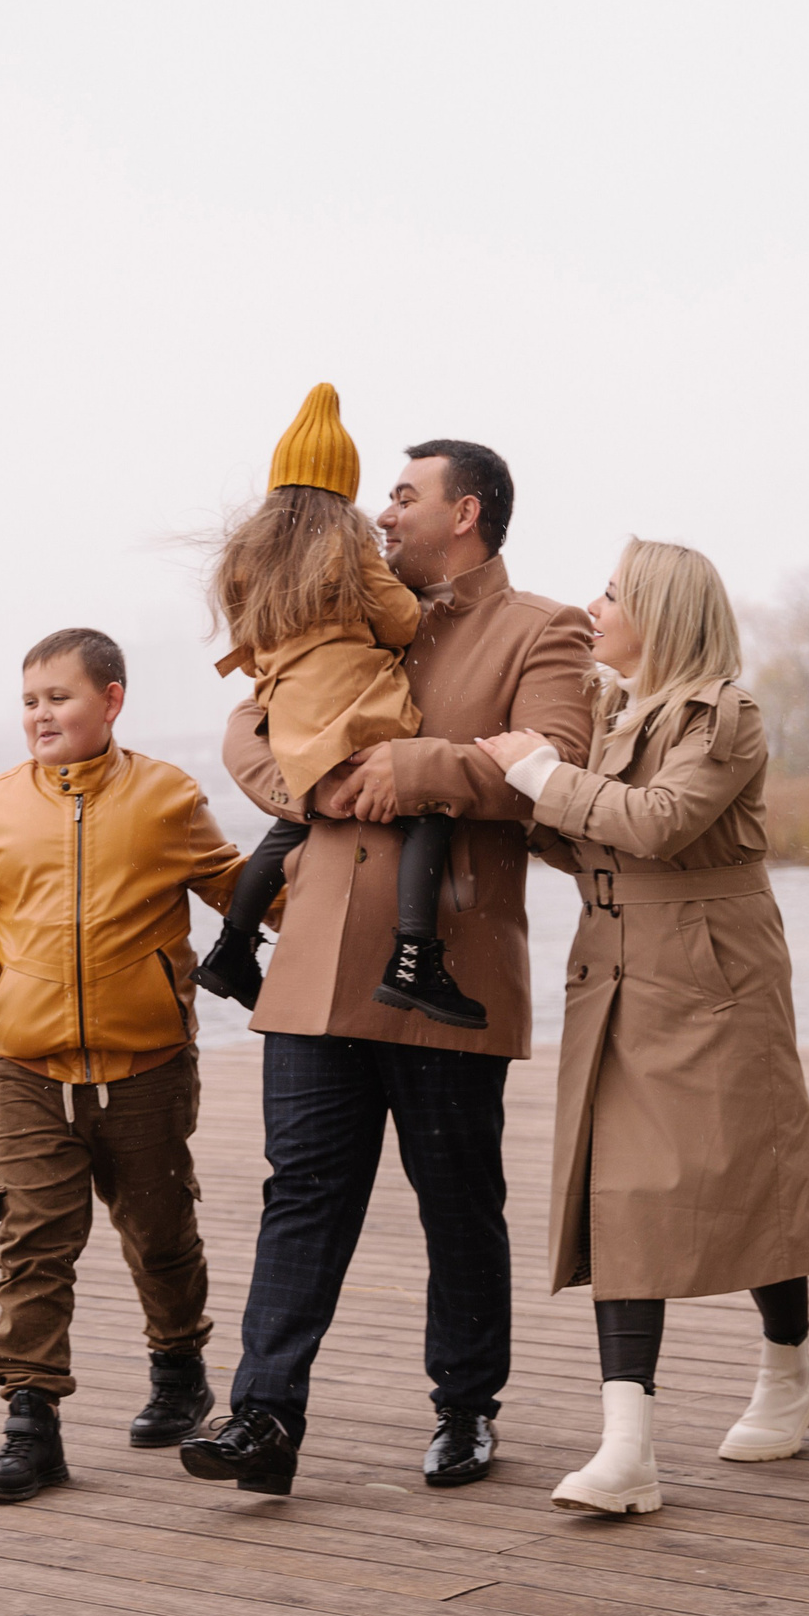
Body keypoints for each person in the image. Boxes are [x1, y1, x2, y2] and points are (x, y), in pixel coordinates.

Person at [178, 439, 596, 1497]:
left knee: (458, 1200)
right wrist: (311, 786)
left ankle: (465, 1410)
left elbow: (556, 764)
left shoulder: (544, 629)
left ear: (466, 512)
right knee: (300, 1195)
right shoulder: (337, 599)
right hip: (312, 966)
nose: (382, 514)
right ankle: (262, 1417)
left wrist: (402, 767)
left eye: (404, 497)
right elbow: (245, 723)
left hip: (446, 966)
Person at [476, 538, 809, 1516]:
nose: (593, 606)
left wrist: (536, 777)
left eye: (611, 593)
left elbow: (656, 825)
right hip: (615, 973)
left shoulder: (724, 716)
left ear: (661, 612)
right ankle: (627, 1449)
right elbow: (601, 842)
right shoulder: (612, 714)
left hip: (713, 976)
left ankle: (789, 1375)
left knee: (753, 1177)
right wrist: (512, 802)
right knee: (619, 1195)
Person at [0, 627, 247, 1502]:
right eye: (29, 700)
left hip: (147, 1066)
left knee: (160, 1232)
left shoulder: (165, 798)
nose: (40, 714)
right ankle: (31, 1423)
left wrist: (341, 880)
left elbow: (236, 885)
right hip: (28, 1069)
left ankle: (179, 1368)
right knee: (33, 1242)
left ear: (111, 700)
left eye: (58, 697)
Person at [198, 383, 485, 1028]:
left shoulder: (250, 552)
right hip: (353, 710)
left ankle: (232, 947)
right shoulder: (346, 542)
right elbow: (402, 619)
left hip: (291, 717)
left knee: (291, 827)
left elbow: (255, 635)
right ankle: (414, 958)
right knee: (427, 813)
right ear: (342, 486)